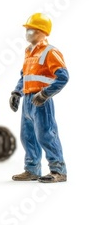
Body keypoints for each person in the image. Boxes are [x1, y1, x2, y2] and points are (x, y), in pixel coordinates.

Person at [9, 13, 69, 183]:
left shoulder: (51, 52)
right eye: (27, 29)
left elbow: (63, 76)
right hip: (28, 100)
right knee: (27, 135)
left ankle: (58, 170)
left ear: (42, 32)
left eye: (32, 30)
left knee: (46, 134)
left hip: (41, 101)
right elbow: (25, 77)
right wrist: (16, 92)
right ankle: (32, 169)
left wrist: (44, 94)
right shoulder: (28, 51)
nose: (28, 33)